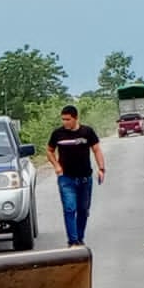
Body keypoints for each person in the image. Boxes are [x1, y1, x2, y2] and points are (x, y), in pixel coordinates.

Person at [47, 104, 106, 246]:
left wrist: (101, 168)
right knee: (69, 208)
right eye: (63, 119)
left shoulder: (87, 132)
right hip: (66, 178)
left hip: (85, 178)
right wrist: (57, 166)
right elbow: (49, 150)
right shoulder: (58, 134)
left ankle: (79, 238)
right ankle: (73, 241)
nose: (65, 122)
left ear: (76, 118)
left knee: (83, 210)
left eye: (68, 119)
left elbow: (96, 150)